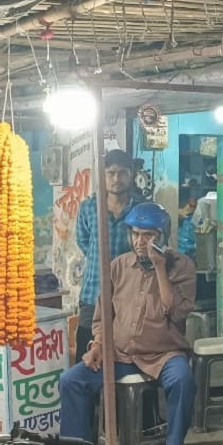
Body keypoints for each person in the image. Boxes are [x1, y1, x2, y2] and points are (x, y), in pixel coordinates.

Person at [60, 203, 197, 445]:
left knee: (183, 380)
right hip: (119, 354)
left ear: (162, 236)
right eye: (135, 234)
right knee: (71, 380)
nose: (140, 241)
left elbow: (177, 312)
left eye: (148, 235)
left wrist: (160, 270)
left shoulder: (181, 266)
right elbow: (101, 315)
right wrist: (98, 344)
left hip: (164, 354)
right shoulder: (118, 266)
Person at [74, 149, 144, 361]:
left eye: (122, 173)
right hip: (93, 292)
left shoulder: (142, 209)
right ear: (102, 176)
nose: (116, 179)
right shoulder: (88, 208)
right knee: (86, 356)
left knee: (134, 355)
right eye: (110, 173)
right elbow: (84, 241)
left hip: (132, 294)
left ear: (131, 175)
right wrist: (103, 263)